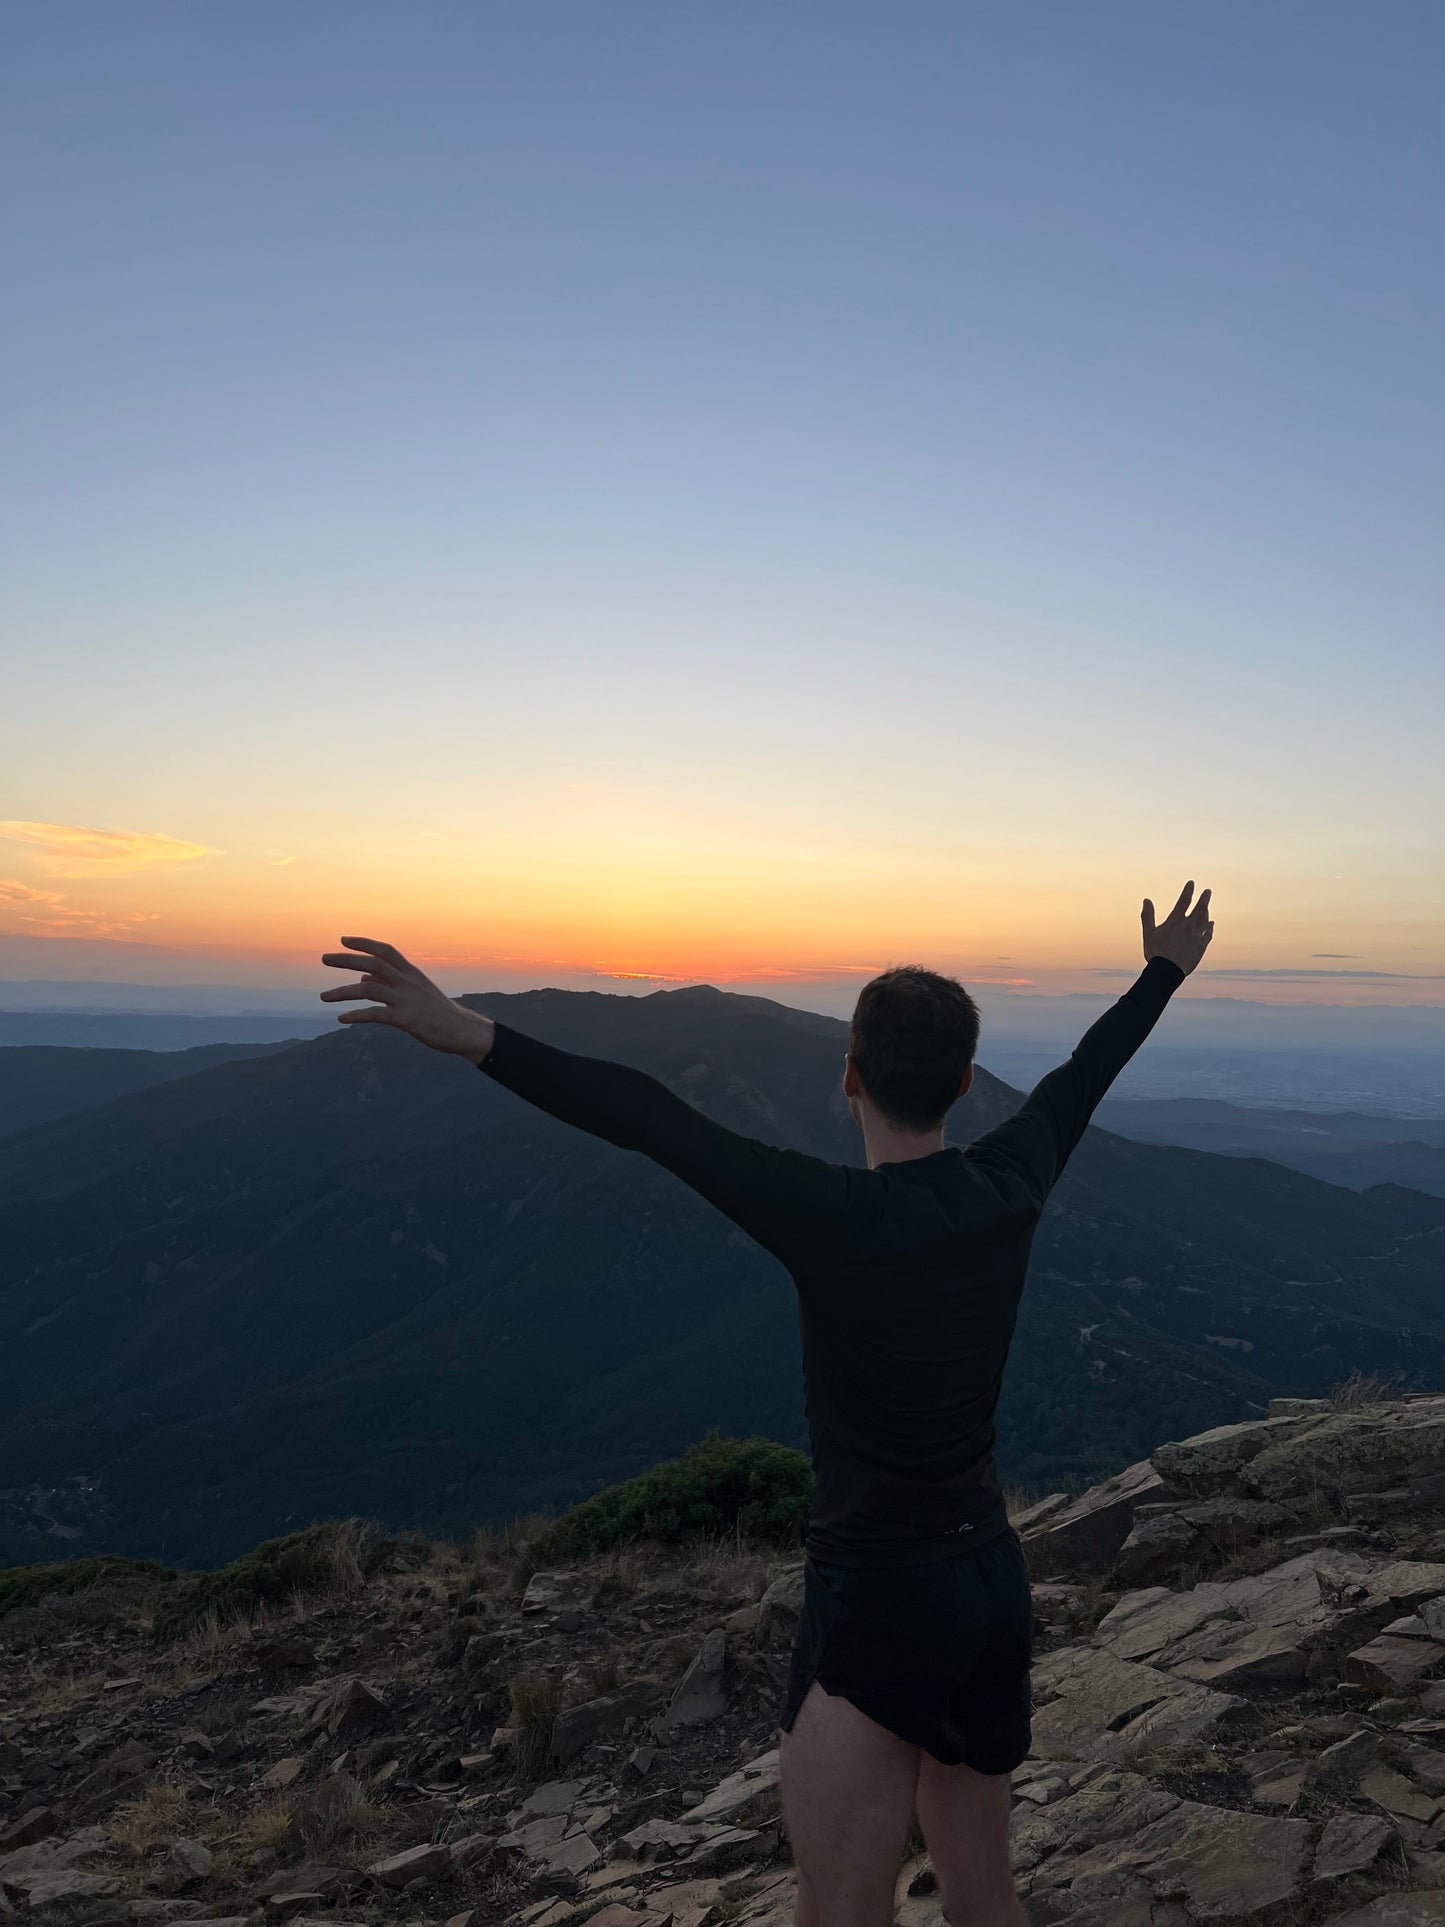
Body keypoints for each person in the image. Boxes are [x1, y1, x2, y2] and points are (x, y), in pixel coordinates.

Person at [320, 879, 1214, 1927]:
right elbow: (1080, 1077)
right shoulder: (1009, 1178)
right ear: (967, 1081)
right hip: (986, 1583)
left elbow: (648, 1118)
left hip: (875, 1595)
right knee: (984, 1895)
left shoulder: (829, 1215)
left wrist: (472, 1033)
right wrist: (1161, 971)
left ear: (847, 1078)